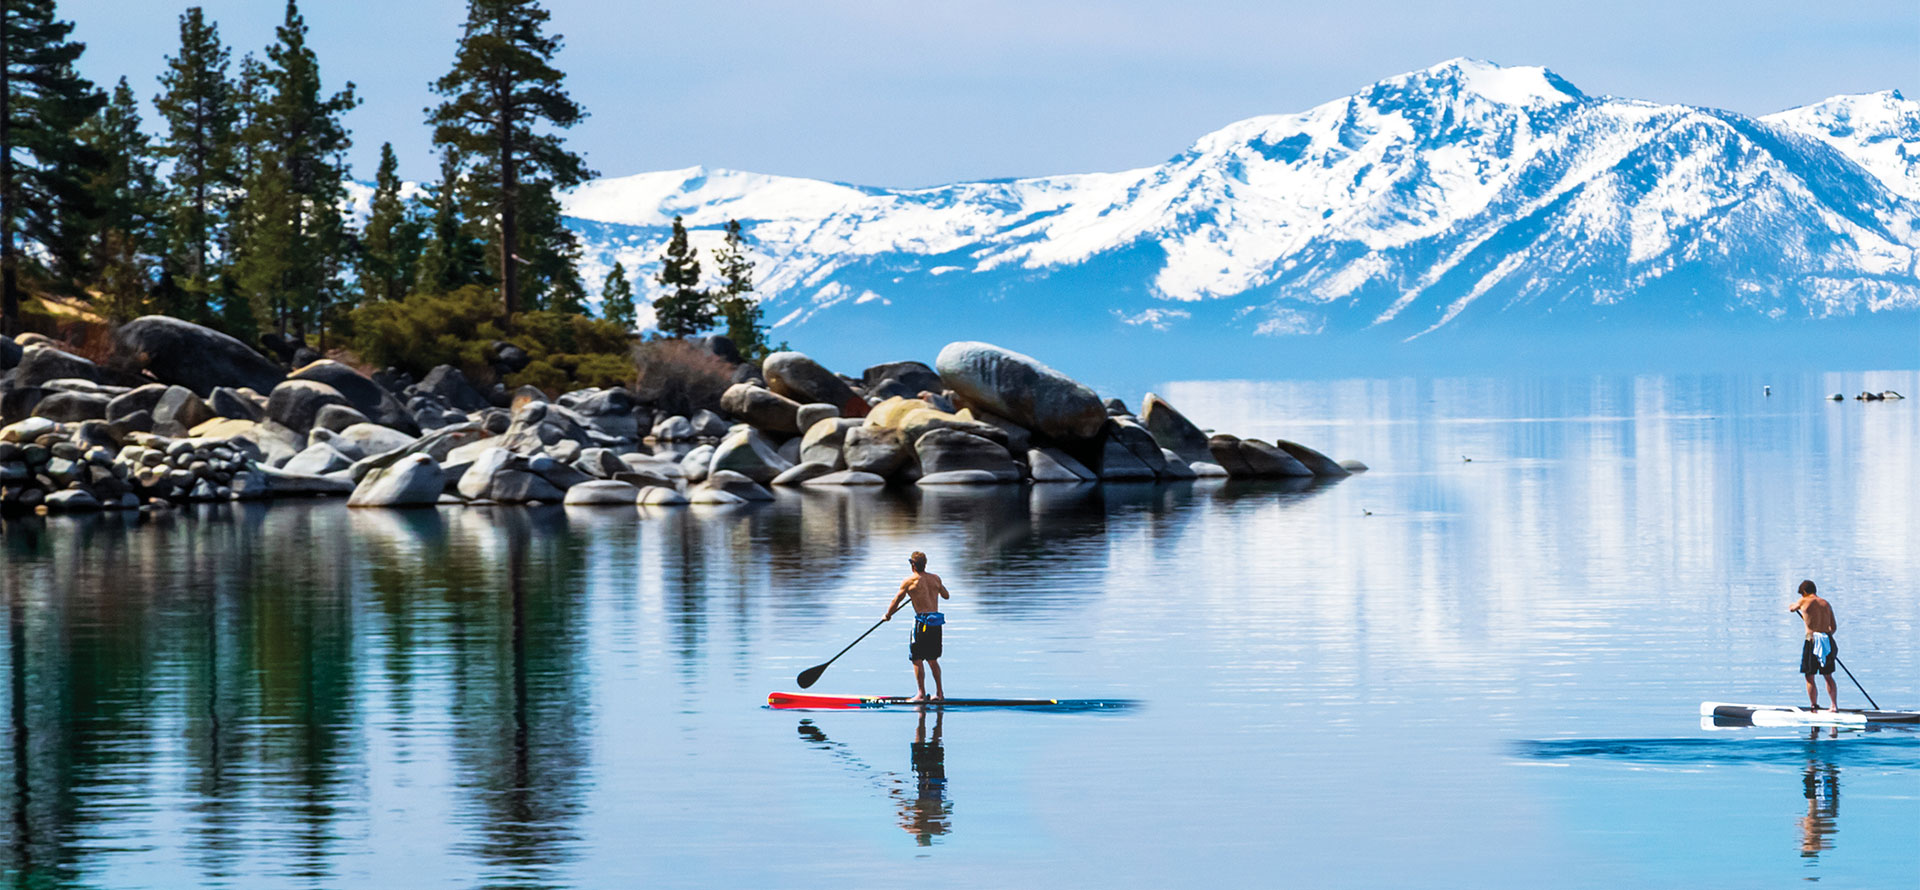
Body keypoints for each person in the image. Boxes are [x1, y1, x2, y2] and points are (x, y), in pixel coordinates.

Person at [884, 551, 950, 701]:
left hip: (922, 623)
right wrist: (935, 589)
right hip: (936, 623)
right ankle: (939, 694)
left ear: (913, 565)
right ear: (925, 564)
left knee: (917, 658)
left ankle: (920, 694)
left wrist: (887, 615)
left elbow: (896, 601)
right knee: (932, 659)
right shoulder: (935, 579)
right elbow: (946, 595)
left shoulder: (909, 582)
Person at [1789, 580, 1839, 711]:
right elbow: (1833, 627)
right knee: (1828, 675)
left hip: (1811, 641)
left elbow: (1791, 608)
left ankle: (1814, 705)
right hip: (1827, 641)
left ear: (1804, 592)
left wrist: (1795, 605)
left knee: (1809, 675)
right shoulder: (1826, 603)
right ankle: (1833, 705)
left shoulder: (1804, 601)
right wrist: (1824, 638)